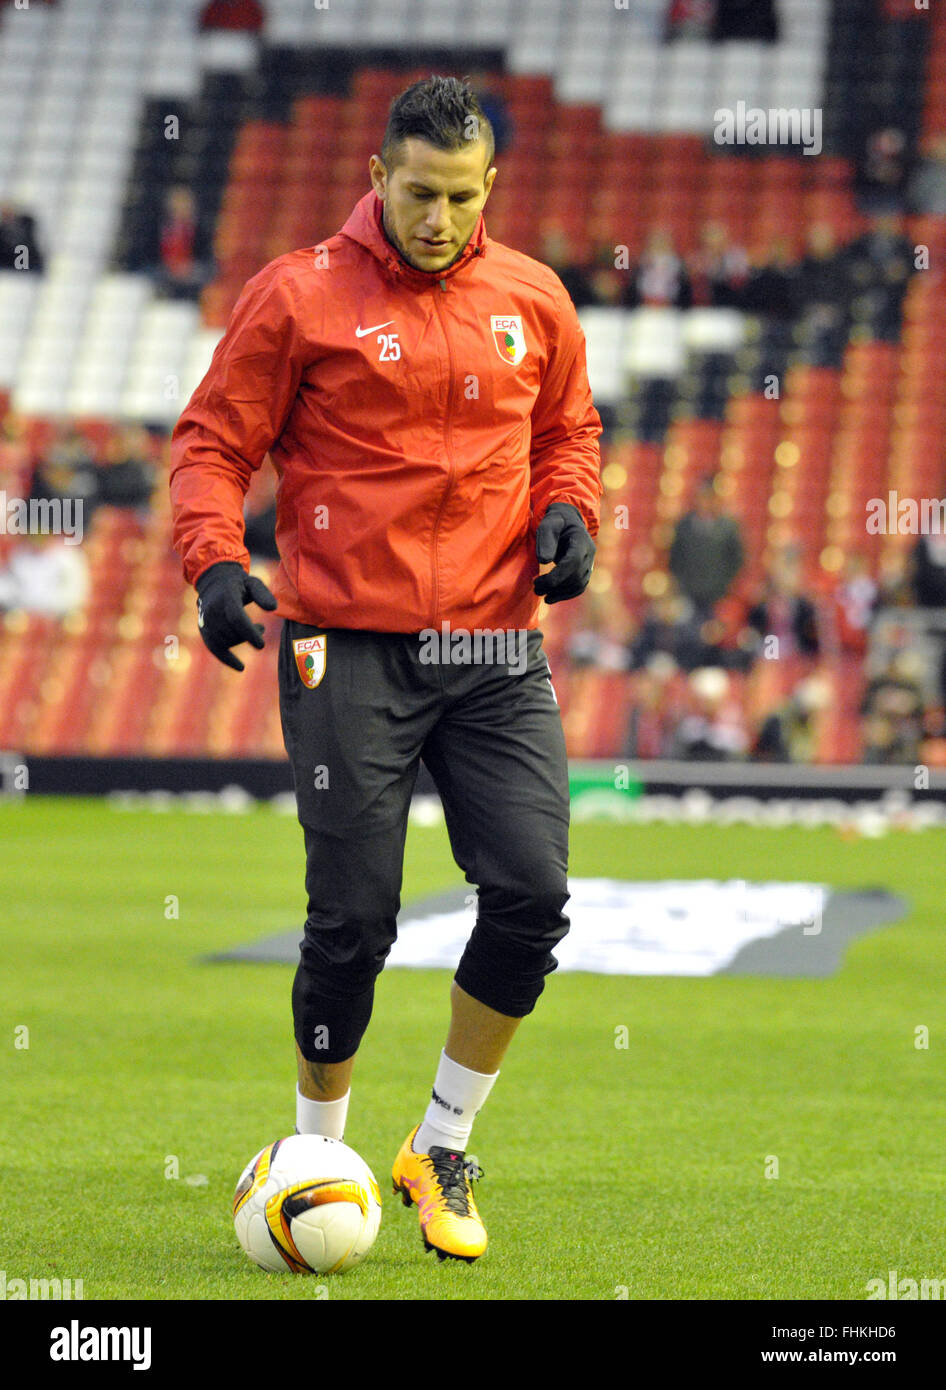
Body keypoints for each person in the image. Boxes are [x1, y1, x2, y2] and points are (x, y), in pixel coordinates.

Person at [169, 76, 602, 1264]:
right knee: (353, 918)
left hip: (494, 648)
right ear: (377, 175)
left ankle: (441, 1142)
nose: (441, 217)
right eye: (420, 193)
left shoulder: (534, 296)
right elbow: (212, 441)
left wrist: (571, 508)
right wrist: (214, 562)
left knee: (531, 894)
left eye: (464, 196)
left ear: (489, 187)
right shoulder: (298, 293)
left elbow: (568, 429)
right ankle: (318, 1150)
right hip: (340, 643)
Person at [668, 476, 744, 619]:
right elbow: (675, 558)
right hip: (688, 592)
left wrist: (725, 584)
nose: (705, 502)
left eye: (709, 498)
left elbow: (736, 560)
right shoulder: (684, 526)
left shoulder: (728, 528)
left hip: (717, 593)